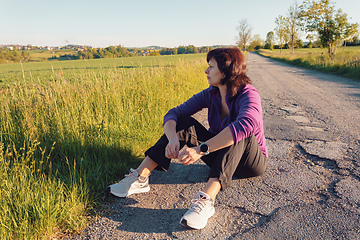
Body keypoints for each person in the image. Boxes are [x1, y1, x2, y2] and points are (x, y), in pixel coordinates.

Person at [109, 47, 268, 230]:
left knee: (241, 132)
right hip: (220, 155)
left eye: (211, 67)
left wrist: (201, 150)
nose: (206, 71)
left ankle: (206, 201)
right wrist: (172, 139)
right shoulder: (211, 94)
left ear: (226, 71)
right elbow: (174, 114)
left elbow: (247, 124)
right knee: (183, 121)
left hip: (250, 163)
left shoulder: (249, 94)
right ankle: (140, 177)